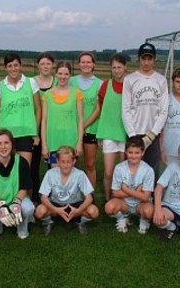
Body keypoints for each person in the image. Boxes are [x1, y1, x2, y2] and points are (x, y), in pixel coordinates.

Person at [122, 42, 169, 179]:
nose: (146, 62)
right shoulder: (130, 79)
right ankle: (132, 198)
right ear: (139, 59)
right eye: (144, 59)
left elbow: (163, 110)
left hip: (152, 134)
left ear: (154, 59)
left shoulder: (161, 80)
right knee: (133, 169)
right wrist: (132, 135)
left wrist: (152, 134)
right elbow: (125, 109)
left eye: (149, 59)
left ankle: (150, 197)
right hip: (135, 132)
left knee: (152, 169)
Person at [0, 129, 35, 239]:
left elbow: (25, 186)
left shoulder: (21, 161)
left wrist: (16, 202)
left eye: (6, 143)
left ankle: (22, 227)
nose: (3, 147)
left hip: (17, 197)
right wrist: (1, 205)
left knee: (28, 208)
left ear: (12, 144)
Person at [35, 146, 99, 235]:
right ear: (57, 161)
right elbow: (43, 197)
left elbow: (89, 198)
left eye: (69, 162)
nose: (65, 165)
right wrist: (56, 210)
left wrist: (78, 211)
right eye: (63, 162)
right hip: (56, 205)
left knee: (94, 211)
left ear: (74, 161)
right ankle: (48, 222)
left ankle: (80, 222)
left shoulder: (80, 174)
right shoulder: (50, 173)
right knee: (39, 211)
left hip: (75, 205)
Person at [0, 52, 41, 165]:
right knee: (6, 170)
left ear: (20, 66)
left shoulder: (31, 82)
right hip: (5, 134)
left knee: (24, 170)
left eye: (15, 65)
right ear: (5, 68)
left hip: (26, 133)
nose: (13, 68)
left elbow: (38, 109)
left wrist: (36, 133)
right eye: (9, 66)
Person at [104, 137, 154, 234]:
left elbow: (145, 197)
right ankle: (122, 217)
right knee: (109, 207)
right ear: (126, 152)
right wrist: (137, 191)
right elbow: (115, 193)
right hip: (124, 203)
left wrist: (126, 190)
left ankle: (143, 219)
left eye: (137, 153)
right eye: (130, 152)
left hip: (141, 204)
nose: (133, 156)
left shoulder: (148, 170)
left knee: (149, 212)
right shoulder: (119, 168)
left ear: (142, 153)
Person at [96, 54, 128, 200]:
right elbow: (101, 108)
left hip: (126, 132)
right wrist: (100, 134)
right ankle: (109, 200)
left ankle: (123, 199)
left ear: (125, 67)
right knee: (108, 172)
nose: (116, 70)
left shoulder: (130, 85)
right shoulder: (105, 85)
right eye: (114, 67)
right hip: (109, 132)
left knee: (125, 172)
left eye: (119, 67)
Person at [41, 61, 83, 168]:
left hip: (71, 141)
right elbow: (44, 120)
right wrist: (44, 144)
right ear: (55, 74)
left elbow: (80, 119)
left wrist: (79, 142)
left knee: (71, 176)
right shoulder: (47, 95)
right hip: (53, 141)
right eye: (60, 73)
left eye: (66, 74)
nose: (63, 77)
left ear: (70, 75)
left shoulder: (77, 93)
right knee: (55, 176)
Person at [71, 52, 103, 188]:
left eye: (88, 62)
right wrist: (78, 127)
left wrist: (83, 126)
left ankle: (90, 196)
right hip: (72, 128)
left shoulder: (100, 84)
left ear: (93, 64)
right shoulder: (71, 81)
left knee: (90, 165)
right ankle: (74, 194)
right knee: (73, 164)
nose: (85, 64)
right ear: (79, 64)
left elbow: (98, 109)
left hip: (91, 129)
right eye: (83, 62)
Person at [32, 52, 57, 202]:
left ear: (53, 66)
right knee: (33, 166)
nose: (46, 66)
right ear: (38, 66)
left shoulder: (59, 81)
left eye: (48, 63)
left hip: (53, 129)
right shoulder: (31, 82)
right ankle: (35, 197)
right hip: (35, 129)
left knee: (53, 165)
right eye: (42, 63)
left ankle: (54, 198)